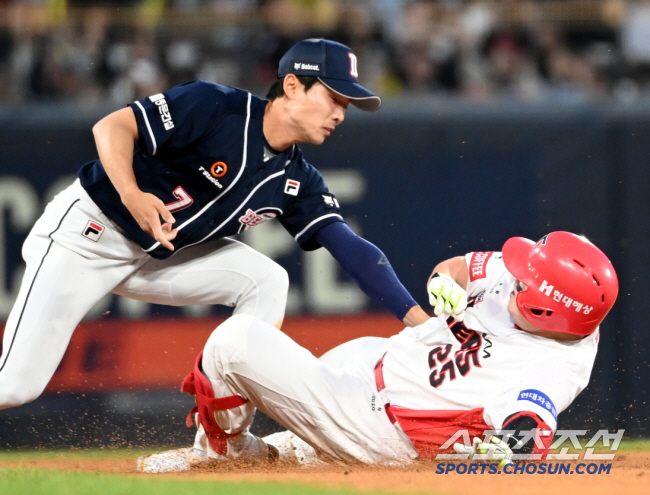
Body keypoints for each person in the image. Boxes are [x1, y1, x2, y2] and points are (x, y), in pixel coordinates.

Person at [0, 38, 430, 412]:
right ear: (293, 85)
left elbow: (352, 251)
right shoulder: (214, 106)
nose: (341, 114)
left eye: (346, 106)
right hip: (89, 234)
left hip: (158, 258)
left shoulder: (297, 179)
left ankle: (222, 437)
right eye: (334, 98)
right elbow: (111, 126)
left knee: (266, 280)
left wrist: (421, 323)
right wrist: (133, 194)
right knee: (15, 386)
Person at [136, 231, 619, 472]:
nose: (515, 276)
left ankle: (225, 456)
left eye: (525, 283)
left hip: (385, 426)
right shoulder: (543, 284)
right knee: (311, 400)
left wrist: (501, 453)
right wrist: (441, 282)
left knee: (234, 342)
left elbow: (531, 429)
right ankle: (282, 453)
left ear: (547, 311)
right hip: (379, 361)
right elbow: (456, 267)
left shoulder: (552, 367)